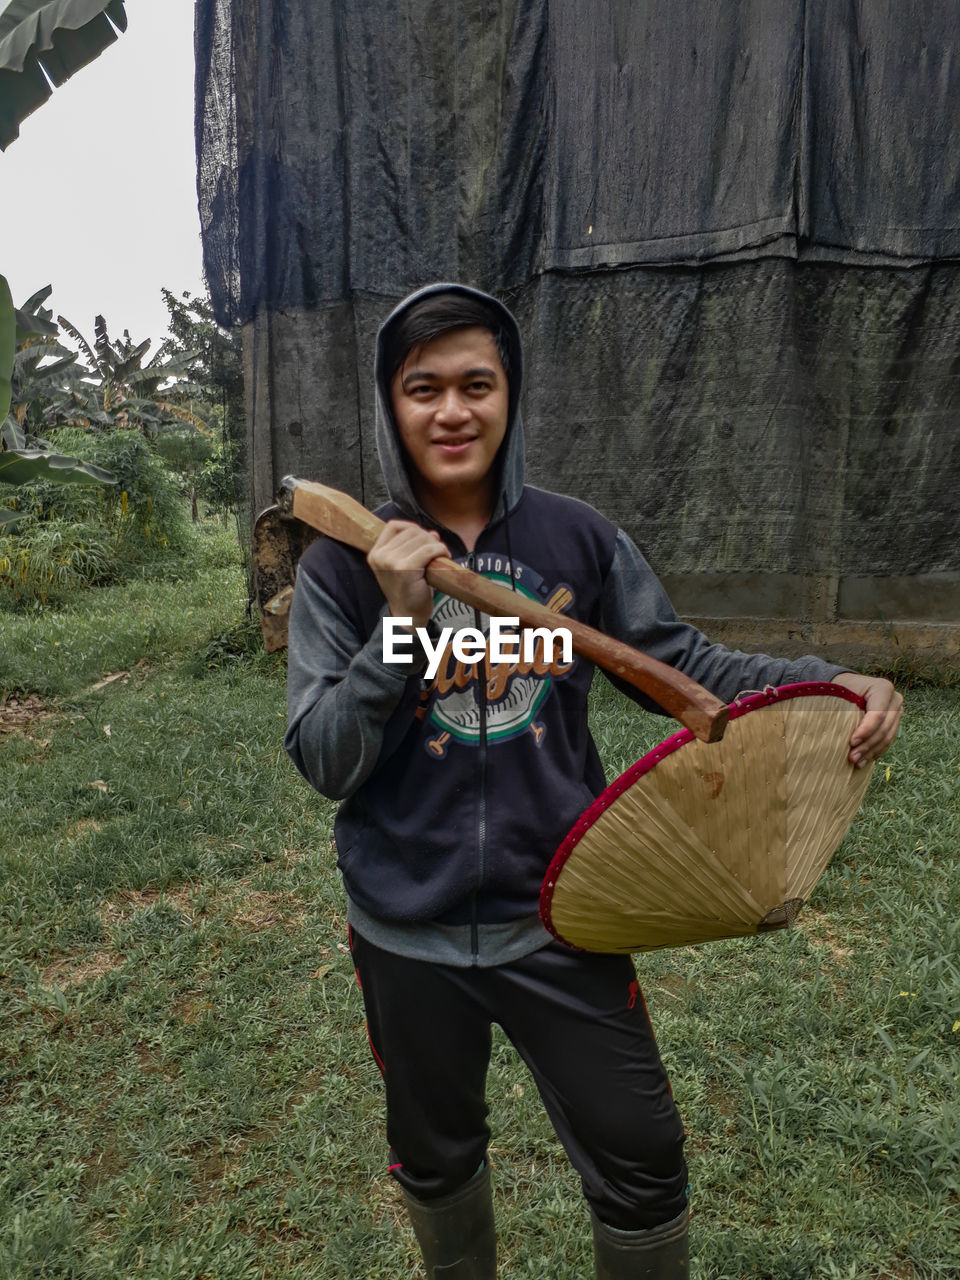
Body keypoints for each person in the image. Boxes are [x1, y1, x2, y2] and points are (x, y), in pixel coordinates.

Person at [285, 283, 902, 1278]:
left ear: (511, 393)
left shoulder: (579, 539)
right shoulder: (342, 567)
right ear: (389, 406)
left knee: (643, 1151)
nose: (452, 410)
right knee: (436, 1156)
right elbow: (326, 760)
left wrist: (828, 680)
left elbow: (679, 664)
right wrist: (400, 620)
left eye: (477, 383)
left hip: (565, 905)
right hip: (406, 925)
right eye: (423, 387)